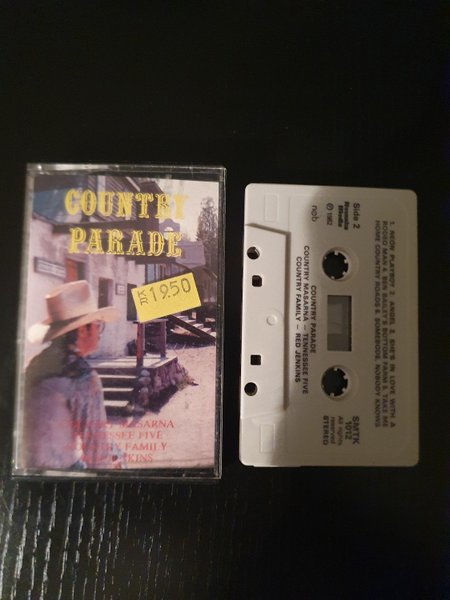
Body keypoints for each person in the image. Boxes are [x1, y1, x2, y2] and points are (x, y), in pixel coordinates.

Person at [21, 280, 120, 470]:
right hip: (59, 477)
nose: (99, 333)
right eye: (97, 325)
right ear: (82, 330)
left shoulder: (33, 366)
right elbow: (98, 458)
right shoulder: (83, 377)